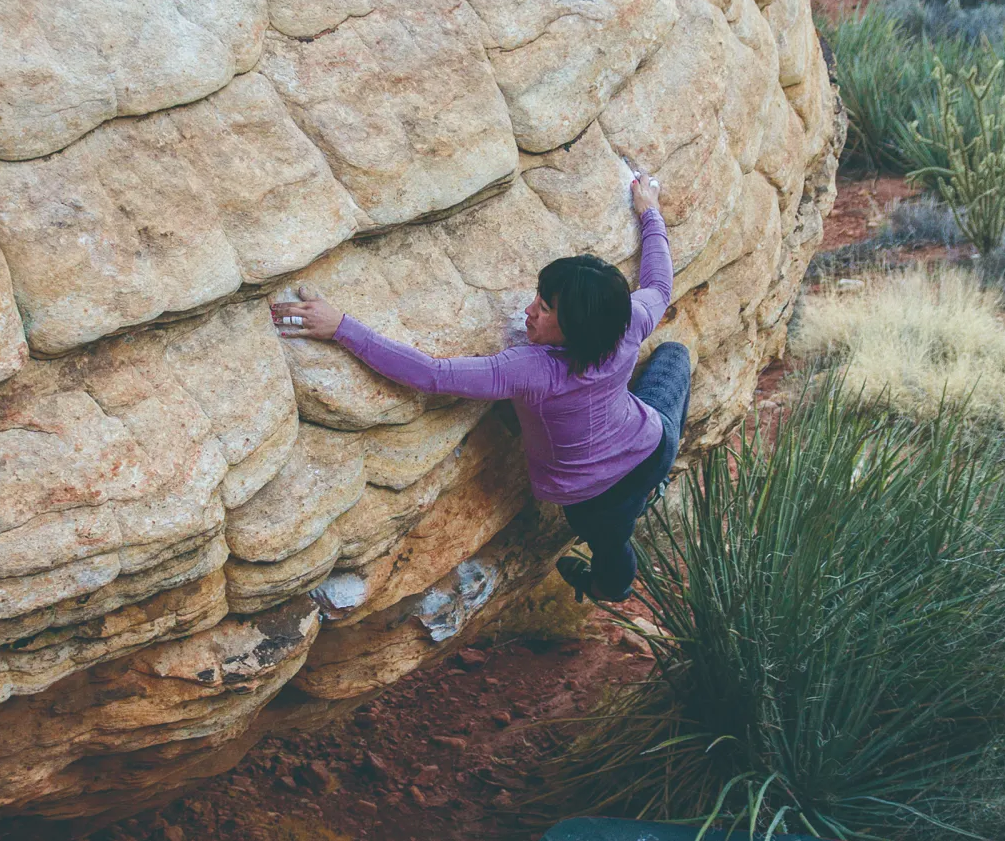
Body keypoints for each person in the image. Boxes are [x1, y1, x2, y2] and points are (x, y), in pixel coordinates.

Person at [271, 172, 691, 603]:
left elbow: (432, 375)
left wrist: (341, 326)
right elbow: (658, 286)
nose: (529, 311)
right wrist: (649, 211)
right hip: (651, 445)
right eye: (538, 298)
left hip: (593, 498)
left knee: (611, 547)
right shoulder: (626, 323)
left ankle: (607, 591)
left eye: (545, 309)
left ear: (577, 329)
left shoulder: (532, 369)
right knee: (675, 357)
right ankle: (639, 516)